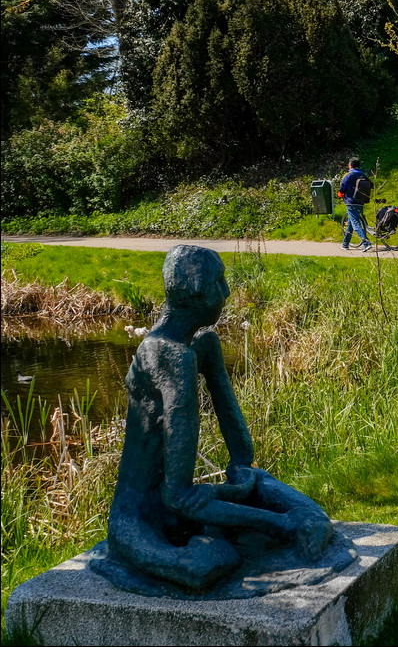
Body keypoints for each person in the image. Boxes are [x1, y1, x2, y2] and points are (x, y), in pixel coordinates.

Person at [103, 246, 334, 591]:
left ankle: (286, 522)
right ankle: (286, 526)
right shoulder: (168, 356)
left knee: (261, 490)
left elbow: (242, 453)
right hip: (136, 521)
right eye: (219, 281)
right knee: (211, 562)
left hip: (177, 508)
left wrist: (238, 479)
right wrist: (282, 523)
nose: (226, 292)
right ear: (198, 289)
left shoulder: (200, 345)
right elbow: (178, 495)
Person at [339, 158, 373, 252]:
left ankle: (366, 243)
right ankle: (345, 244)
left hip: (351, 202)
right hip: (361, 202)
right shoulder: (363, 175)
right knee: (351, 221)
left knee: (355, 223)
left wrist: (340, 194)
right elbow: (371, 185)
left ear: (350, 165)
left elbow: (342, 188)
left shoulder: (348, 175)